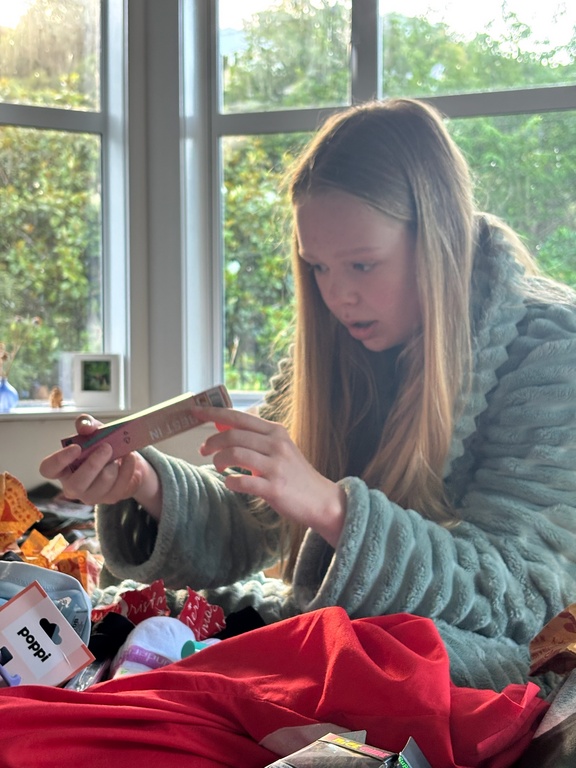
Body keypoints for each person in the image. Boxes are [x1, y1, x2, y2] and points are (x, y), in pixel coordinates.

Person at [40, 97, 576, 694]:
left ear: (439, 238)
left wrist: (332, 508)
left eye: (362, 265)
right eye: (317, 267)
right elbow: (255, 524)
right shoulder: (336, 344)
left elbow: (519, 600)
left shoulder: (551, 352)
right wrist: (144, 484)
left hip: (470, 676)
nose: (337, 296)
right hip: (337, 644)